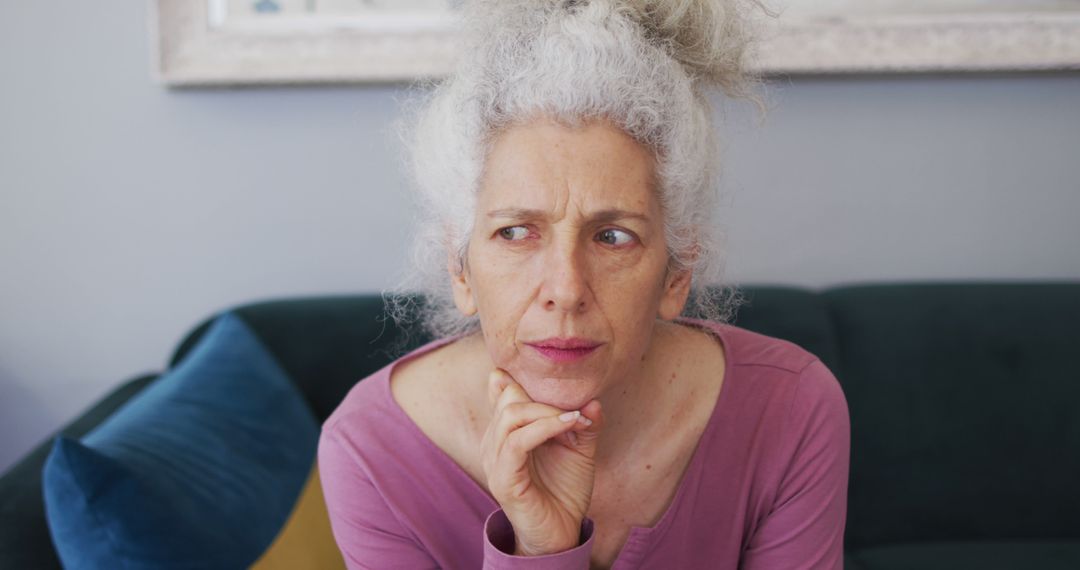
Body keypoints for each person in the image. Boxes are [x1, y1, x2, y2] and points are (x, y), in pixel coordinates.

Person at [318, 0, 851, 568]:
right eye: (517, 232)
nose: (566, 289)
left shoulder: (791, 408)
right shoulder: (370, 449)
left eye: (613, 237)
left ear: (677, 272)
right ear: (459, 267)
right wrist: (541, 548)